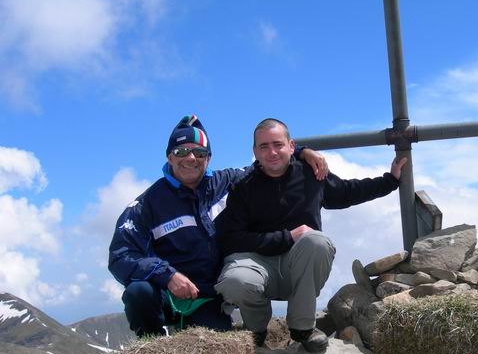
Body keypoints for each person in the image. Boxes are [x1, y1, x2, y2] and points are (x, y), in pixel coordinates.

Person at [108, 115, 327, 337]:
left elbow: (269, 159)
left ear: (209, 158)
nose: (191, 158)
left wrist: (301, 151)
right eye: (181, 151)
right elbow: (120, 256)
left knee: (209, 348)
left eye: (200, 152)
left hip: (209, 296)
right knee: (138, 293)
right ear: (169, 157)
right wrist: (167, 275)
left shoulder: (228, 183)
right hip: (164, 291)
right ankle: (153, 346)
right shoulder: (145, 205)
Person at [215, 118, 407, 351]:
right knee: (235, 281)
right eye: (263, 146)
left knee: (317, 242)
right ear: (255, 151)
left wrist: (391, 180)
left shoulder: (310, 173)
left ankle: (302, 328)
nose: (272, 152)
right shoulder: (243, 185)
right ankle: (255, 331)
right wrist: (288, 237)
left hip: (297, 265)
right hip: (256, 264)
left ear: (291, 146)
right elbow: (231, 238)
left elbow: (347, 192)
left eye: (278, 144)